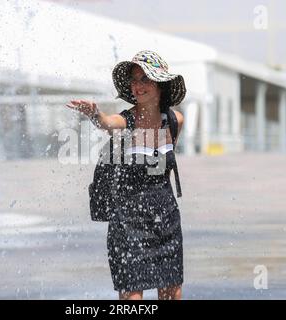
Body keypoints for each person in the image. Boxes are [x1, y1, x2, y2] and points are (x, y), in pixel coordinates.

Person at [65, 50, 186, 300]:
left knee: (172, 292)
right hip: (129, 220)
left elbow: (164, 164)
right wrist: (94, 114)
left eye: (145, 79)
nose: (137, 86)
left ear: (160, 84)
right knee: (132, 296)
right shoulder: (126, 121)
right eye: (134, 80)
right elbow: (107, 123)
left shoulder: (175, 121)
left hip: (166, 218)